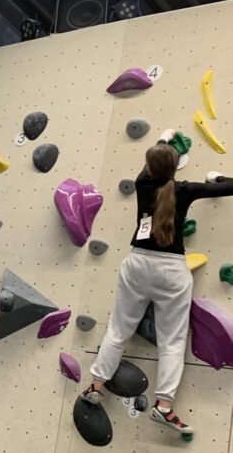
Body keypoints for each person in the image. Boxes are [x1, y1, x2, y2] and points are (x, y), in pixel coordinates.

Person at [82, 130, 233, 433]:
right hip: (172, 272)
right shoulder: (186, 188)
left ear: (150, 166)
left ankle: (96, 387)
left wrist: (164, 138)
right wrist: (216, 178)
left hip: (137, 264)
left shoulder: (142, 183)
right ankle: (163, 406)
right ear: (176, 168)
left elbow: (150, 167)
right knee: (172, 342)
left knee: (118, 330)